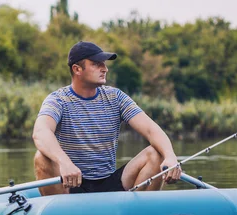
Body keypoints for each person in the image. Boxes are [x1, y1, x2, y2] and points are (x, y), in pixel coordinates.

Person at [33, 41, 182, 196]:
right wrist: (65, 163)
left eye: (104, 64)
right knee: (42, 157)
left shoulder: (116, 97)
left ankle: (139, 214)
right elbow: (40, 132)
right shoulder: (58, 100)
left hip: (109, 182)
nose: (105, 69)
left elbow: (151, 130)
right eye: (97, 64)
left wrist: (170, 156)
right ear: (77, 69)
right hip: (71, 184)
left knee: (157, 153)